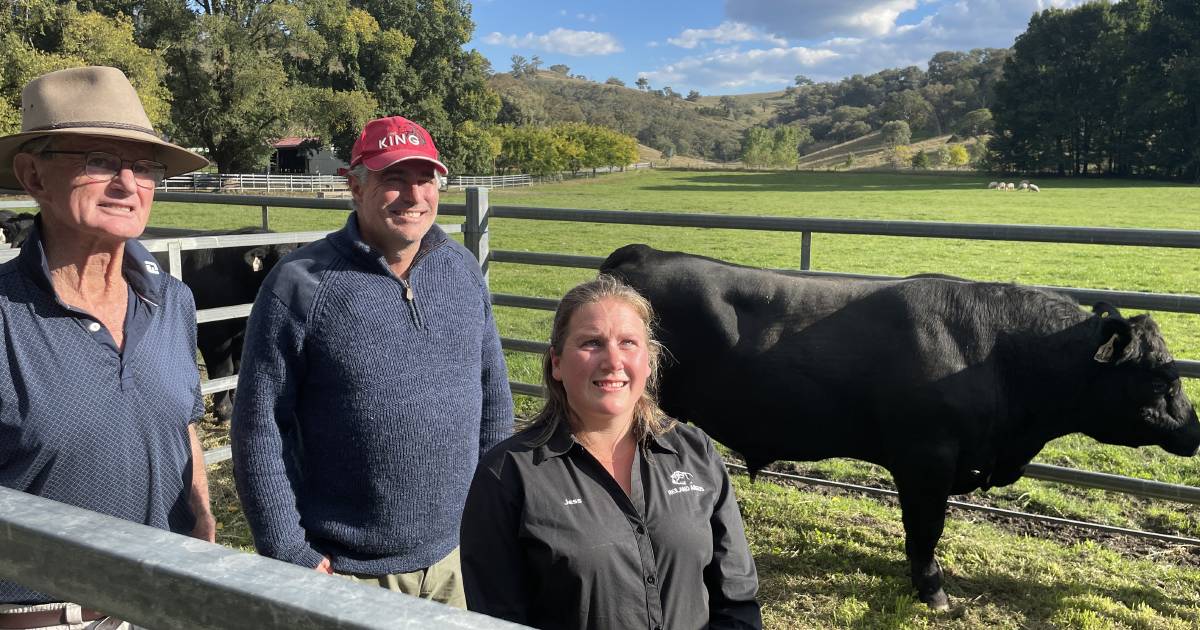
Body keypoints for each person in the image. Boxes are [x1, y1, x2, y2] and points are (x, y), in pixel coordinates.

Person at [231, 115, 513, 607]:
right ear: (354, 187)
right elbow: (259, 427)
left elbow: (493, 396)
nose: (414, 196)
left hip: (456, 556)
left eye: (425, 180)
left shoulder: (461, 269)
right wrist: (287, 549)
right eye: (393, 180)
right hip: (348, 571)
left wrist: (493, 513)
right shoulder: (301, 284)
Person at [0, 66, 214, 629]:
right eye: (98, 160)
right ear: (34, 176)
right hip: (41, 618)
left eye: (145, 167)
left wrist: (204, 520)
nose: (128, 183)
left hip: (164, 603)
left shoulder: (172, 302)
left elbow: (181, 423)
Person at [461, 275, 763, 629]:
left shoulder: (695, 454)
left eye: (628, 343)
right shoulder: (508, 475)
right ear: (557, 363)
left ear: (649, 362)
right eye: (592, 343)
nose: (613, 361)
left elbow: (737, 599)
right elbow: (499, 622)